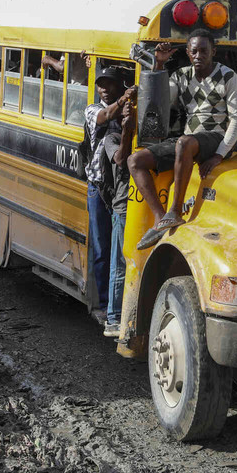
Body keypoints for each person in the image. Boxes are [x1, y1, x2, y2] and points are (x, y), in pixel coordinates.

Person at [128, 28, 237, 250]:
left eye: (204, 51)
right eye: (194, 51)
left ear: (213, 52)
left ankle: (175, 209)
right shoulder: (181, 76)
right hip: (191, 140)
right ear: (189, 54)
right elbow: (161, 101)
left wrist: (219, 154)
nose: (199, 55)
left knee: (183, 142)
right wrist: (159, 65)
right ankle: (161, 217)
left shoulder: (228, 76)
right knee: (135, 161)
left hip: (217, 137)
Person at [84, 67, 136, 325]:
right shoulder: (93, 109)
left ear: (118, 85)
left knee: (119, 250)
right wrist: (125, 99)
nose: (104, 88)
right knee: (102, 247)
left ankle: (120, 303)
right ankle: (103, 304)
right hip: (98, 185)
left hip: (120, 189)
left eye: (109, 83)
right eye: (101, 83)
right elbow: (105, 115)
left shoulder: (127, 111)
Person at [100, 98, 135, 336]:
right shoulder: (111, 139)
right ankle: (113, 317)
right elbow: (121, 159)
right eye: (125, 115)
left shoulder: (147, 139)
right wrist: (127, 131)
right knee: (120, 263)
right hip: (123, 206)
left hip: (141, 206)